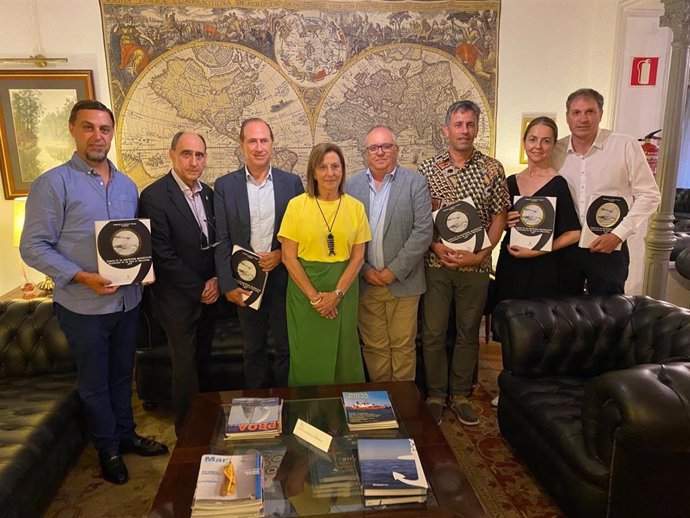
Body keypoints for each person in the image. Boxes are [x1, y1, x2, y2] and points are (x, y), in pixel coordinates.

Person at [19, 100, 167, 486]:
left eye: (104, 129)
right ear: (73, 130)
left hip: (126, 302)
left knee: (123, 376)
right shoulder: (53, 183)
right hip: (84, 306)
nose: (97, 136)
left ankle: (126, 434)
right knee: (95, 381)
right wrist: (81, 276)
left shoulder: (126, 184)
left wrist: (141, 272)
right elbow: (32, 246)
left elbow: (130, 243)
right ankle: (108, 448)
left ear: (111, 133)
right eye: (88, 128)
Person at [419, 100, 509, 426]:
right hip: (436, 265)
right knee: (432, 333)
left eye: (470, 124)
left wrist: (482, 253)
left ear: (477, 128)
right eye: (458, 124)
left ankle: (459, 395)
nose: (464, 130)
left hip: (476, 267)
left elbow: (499, 216)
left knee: (467, 333)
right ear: (447, 129)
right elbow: (421, 218)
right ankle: (434, 395)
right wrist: (433, 245)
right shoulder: (428, 169)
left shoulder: (492, 169)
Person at [138, 132, 219, 433]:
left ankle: (208, 420)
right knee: (185, 368)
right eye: (186, 154)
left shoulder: (209, 193)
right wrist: (199, 287)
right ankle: (187, 431)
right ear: (172, 155)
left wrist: (214, 280)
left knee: (203, 362)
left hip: (210, 296)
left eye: (199, 155)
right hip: (176, 300)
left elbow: (216, 242)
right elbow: (163, 254)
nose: (194, 161)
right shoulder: (154, 196)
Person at [214, 118, 304, 388]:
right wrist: (227, 284)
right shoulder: (225, 186)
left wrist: (279, 253)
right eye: (252, 140)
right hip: (244, 281)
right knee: (253, 349)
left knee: (286, 347)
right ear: (242, 145)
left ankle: (287, 407)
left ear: (272, 145)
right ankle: (258, 409)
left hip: (282, 278)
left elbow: (300, 234)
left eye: (264, 140)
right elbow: (222, 239)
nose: (258, 146)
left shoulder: (292, 184)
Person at [551, 88, 661, 295]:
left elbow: (650, 195)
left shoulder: (624, 145)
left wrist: (619, 234)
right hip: (566, 248)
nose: (583, 119)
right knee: (564, 313)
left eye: (590, 112)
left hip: (610, 244)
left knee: (609, 314)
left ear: (600, 113)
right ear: (567, 117)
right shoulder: (555, 150)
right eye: (576, 112)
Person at [278, 143, 371, 386]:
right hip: (304, 294)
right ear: (313, 172)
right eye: (323, 167)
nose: (330, 173)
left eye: (335, 166)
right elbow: (288, 256)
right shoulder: (296, 206)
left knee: (344, 358)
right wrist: (316, 298)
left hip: (344, 291)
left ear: (342, 170)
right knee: (307, 358)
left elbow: (358, 256)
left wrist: (337, 294)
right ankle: (309, 415)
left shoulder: (356, 208)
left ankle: (342, 419)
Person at [347, 126, 433, 382]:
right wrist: (365, 270)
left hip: (404, 283)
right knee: (374, 349)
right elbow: (347, 236)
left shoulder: (415, 182)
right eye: (374, 147)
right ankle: (383, 405)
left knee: (403, 348)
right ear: (366, 153)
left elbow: (423, 232)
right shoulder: (351, 186)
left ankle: (404, 406)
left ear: (396, 150)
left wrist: (393, 271)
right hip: (366, 282)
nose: (380, 152)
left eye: (386, 146)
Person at [494, 117, 581, 302]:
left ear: (553, 145)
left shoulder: (558, 184)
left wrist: (539, 251)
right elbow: (497, 223)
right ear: (524, 142)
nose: (538, 146)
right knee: (506, 320)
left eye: (546, 141)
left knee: (538, 324)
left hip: (544, 267)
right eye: (533, 139)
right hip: (510, 262)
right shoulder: (510, 182)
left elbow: (574, 233)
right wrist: (504, 221)